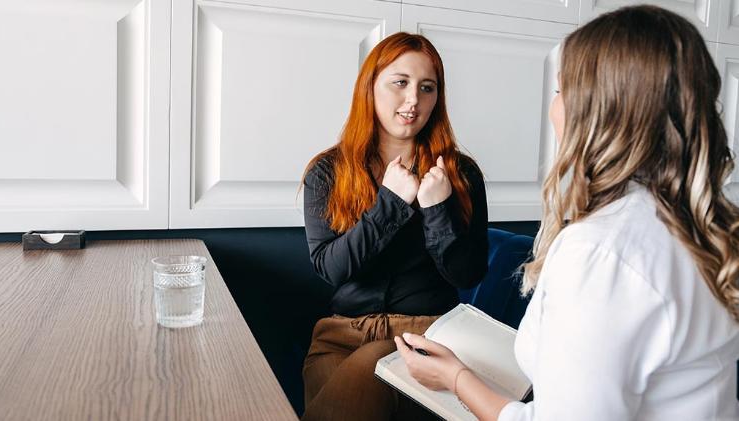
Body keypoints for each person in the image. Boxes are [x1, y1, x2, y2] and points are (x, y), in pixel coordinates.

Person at [396, 5, 739, 420]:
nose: (553, 109)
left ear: (597, 112)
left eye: (559, 91)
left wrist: (456, 378)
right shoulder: (704, 226)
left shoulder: (601, 252)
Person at [301, 32, 489, 420]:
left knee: (371, 365)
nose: (413, 100)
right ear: (370, 87)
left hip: (427, 335)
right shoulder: (327, 172)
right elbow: (332, 270)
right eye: (400, 83)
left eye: (427, 88)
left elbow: (467, 275)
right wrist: (390, 203)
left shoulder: (461, 174)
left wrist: (438, 208)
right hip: (341, 337)